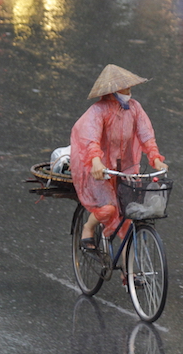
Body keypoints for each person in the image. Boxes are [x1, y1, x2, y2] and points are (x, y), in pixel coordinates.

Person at [70, 65, 168, 264]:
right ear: (113, 90)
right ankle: (88, 229)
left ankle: (129, 272)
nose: (129, 90)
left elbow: (146, 134)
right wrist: (96, 161)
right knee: (108, 209)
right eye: (124, 87)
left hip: (125, 167)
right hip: (99, 169)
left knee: (129, 216)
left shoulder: (135, 108)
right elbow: (91, 139)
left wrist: (155, 157)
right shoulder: (98, 111)